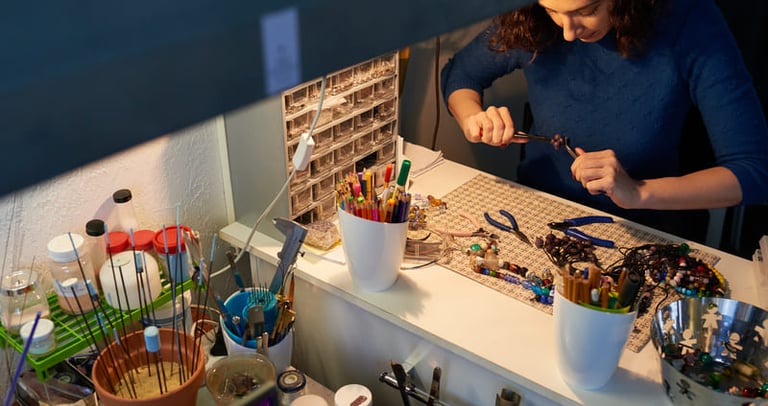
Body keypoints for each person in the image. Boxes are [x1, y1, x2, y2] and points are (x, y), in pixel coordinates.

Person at [440, 0, 768, 240]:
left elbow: (754, 171)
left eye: (586, 10)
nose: (568, 33)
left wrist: (638, 192)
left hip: (643, 230)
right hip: (539, 215)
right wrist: (474, 119)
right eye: (553, 11)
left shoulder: (688, 21)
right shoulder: (529, 17)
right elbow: (460, 74)